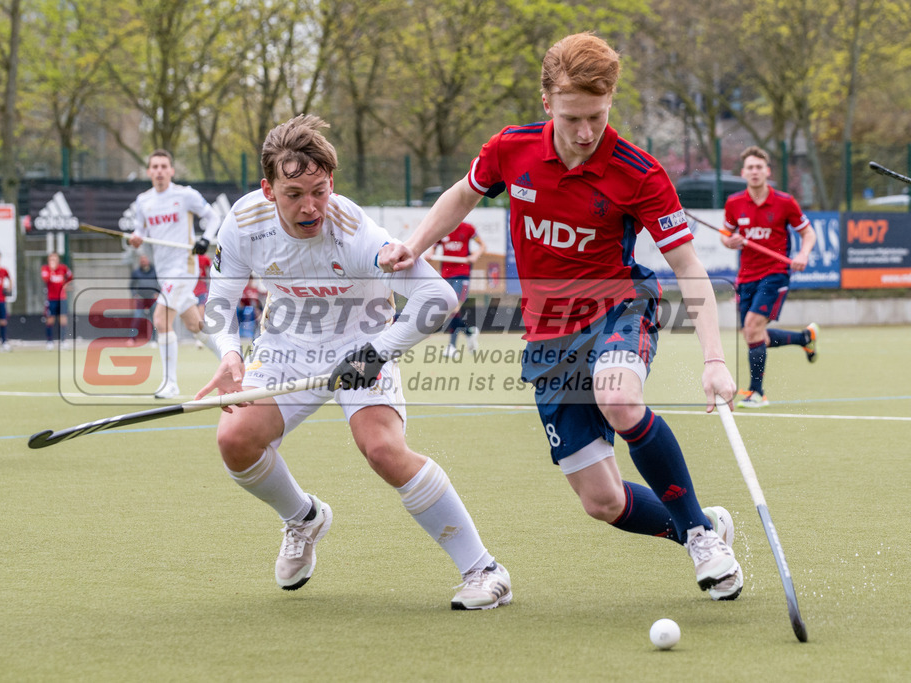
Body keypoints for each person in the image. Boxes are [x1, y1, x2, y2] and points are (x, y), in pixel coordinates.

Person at [379, 33, 744, 601]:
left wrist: (716, 359)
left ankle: (699, 534)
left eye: (597, 116)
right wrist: (416, 243)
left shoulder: (639, 173)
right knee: (602, 502)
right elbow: (464, 193)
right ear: (547, 102)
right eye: (572, 117)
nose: (584, 132)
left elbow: (690, 267)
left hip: (618, 307)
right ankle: (701, 523)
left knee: (619, 397)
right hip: (548, 332)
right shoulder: (510, 149)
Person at [196, 114, 512, 610]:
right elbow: (219, 304)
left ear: (332, 183)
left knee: (382, 449)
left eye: (320, 191)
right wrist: (231, 353)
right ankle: (303, 518)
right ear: (267, 189)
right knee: (234, 440)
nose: (310, 206)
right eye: (294, 193)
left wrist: (374, 353)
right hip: (287, 342)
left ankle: (484, 571)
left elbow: (439, 299)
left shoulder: (356, 233)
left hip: (364, 337)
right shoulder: (242, 223)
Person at [722, 146, 818, 409]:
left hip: (775, 273)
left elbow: (808, 233)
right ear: (743, 172)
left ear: (767, 171)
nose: (754, 172)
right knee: (755, 335)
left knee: (752, 327)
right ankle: (805, 338)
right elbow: (725, 235)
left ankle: (757, 393)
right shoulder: (734, 203)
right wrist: (731, 242)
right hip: (746, 276)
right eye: (750, 167)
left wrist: (803, 255)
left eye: (759, 167)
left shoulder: (785, 202)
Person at [128, 149, 221, 398]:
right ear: (149, 172)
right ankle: (231, 359)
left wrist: (205, 239)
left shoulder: (185, 195)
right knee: (194, 324)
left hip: (184, 268)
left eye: (163, 166)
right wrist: (136, 239)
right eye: (155, 167)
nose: (159, 171)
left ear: (171, 170)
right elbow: (139, 231)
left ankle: (171, 383)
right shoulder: (143, 201)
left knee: (160, 319)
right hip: (164, 272)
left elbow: (213, 218)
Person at [429, 221, 487, 357]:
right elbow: (434, 246)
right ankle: (469, 332)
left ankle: (452, 347)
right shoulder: (442, 227)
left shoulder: (468, 229)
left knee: (454, 307)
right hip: (446, 275)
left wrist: (474, 255)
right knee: (450, 309)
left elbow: (483, 246)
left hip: (462, 274)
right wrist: (430, 254)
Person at [41, 252, 74, 350]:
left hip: (62, 298)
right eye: (51, 259)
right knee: (50, 320)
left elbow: (70, 276)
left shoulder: (63, 268)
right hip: (51, 299)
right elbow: (45, 279)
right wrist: (52, 269)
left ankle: (63, 341)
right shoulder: (45, 269)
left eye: (55, 259)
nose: (53, 261)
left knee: (63, 319)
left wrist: (67, 284)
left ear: (58, 260)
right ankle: (50, 341)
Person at [129, 252, 160, 346]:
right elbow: (132, 286)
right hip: (141, 300)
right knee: (137, 318)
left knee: (154, 319)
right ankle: (132, 339)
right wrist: (135, 295)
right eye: (141, 260)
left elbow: (161, 282)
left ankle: (154, 340)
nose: (143, 261)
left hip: (152, 299)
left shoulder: (155, 271)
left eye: (145, 259)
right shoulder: (136, 272)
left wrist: (158, 293)